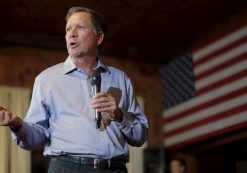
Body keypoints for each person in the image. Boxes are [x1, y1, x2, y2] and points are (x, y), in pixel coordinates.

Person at [0, 7, 148, 173]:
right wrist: (17, 124)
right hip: (68, 168)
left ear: (99, 38)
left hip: (116, 169)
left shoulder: (120, 79)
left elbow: (140, 136)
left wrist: (120, 116)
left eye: (80, 27)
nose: (72, 33)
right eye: (68, 29)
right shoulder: (47, 79)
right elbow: (36, 138)